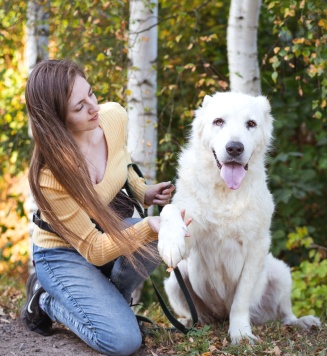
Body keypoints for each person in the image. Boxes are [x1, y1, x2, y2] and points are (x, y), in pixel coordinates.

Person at [21, 59, 190, 356]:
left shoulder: (113, 117)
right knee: (123, 341)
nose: (93, 107)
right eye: (79, 107)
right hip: (63, 254)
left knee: (153, 242)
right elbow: (93, 249)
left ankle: (109, 303)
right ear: (56, 120)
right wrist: (149, 227)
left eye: (92, 94)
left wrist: (143, 191)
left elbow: (121, 163)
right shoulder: (51, 176)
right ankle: (45, 299)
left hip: (104, 233)